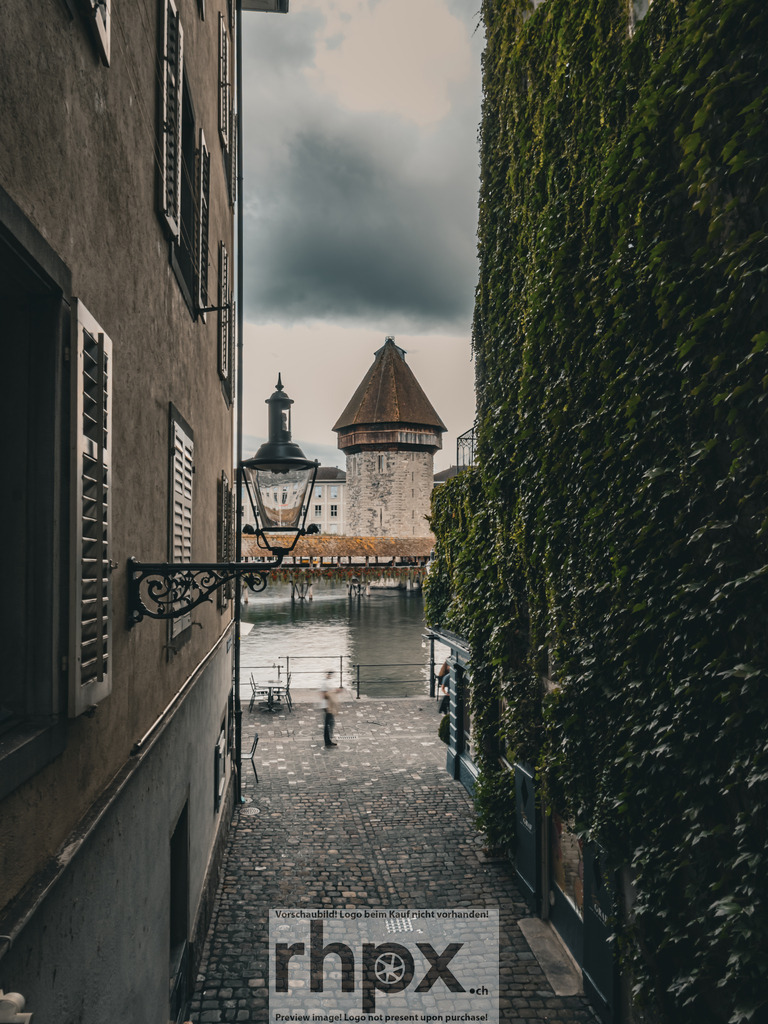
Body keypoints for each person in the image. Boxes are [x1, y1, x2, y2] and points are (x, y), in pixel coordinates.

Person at [322, 675, 338, 747]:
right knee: (329, 724)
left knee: (329, 723)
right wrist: (333, 692)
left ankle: (328, 740)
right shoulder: (325, 684)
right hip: (327, 707)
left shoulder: (326, 683)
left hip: (328, 707)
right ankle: (328, 741)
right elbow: (325, 695)